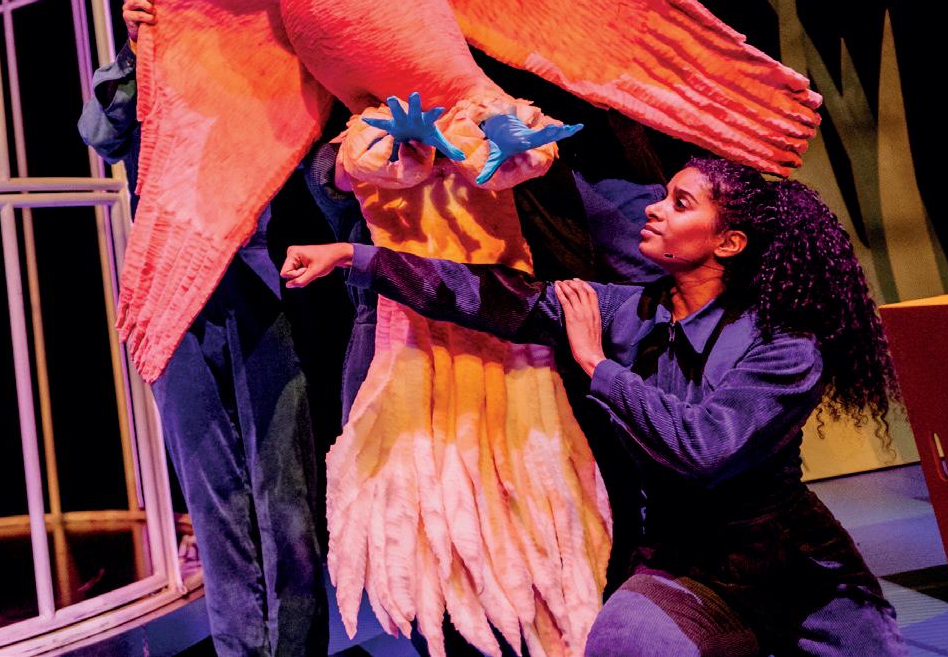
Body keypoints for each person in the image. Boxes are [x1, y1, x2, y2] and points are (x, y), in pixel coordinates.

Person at [280, 158, 906, 657]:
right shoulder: (626, 310)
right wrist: (355, 257)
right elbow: (497, 296)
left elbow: (706, 447)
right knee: (623, 643)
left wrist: (597, 366)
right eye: (664, 195)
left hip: (796, 569)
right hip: (684, 563)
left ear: (729, 242)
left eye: (680, 203)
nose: (654, 208)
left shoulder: (785, 346)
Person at [80, 0, 327, 657]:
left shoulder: (261, 69)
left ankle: (297, 649)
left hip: (260, 288)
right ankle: (240, 649)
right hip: (172, 298)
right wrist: (136, 50)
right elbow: (100, 134)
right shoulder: (152, 67)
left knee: (287, 497)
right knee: (214, 501)